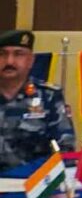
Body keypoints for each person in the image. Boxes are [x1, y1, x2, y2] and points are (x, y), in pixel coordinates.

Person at [0, 30, 74, 170]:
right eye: (2, 54)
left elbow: (65, 149)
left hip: (34, 180)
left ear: (30, 60)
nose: (9, 61)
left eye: (18, 54)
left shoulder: (49, 96)